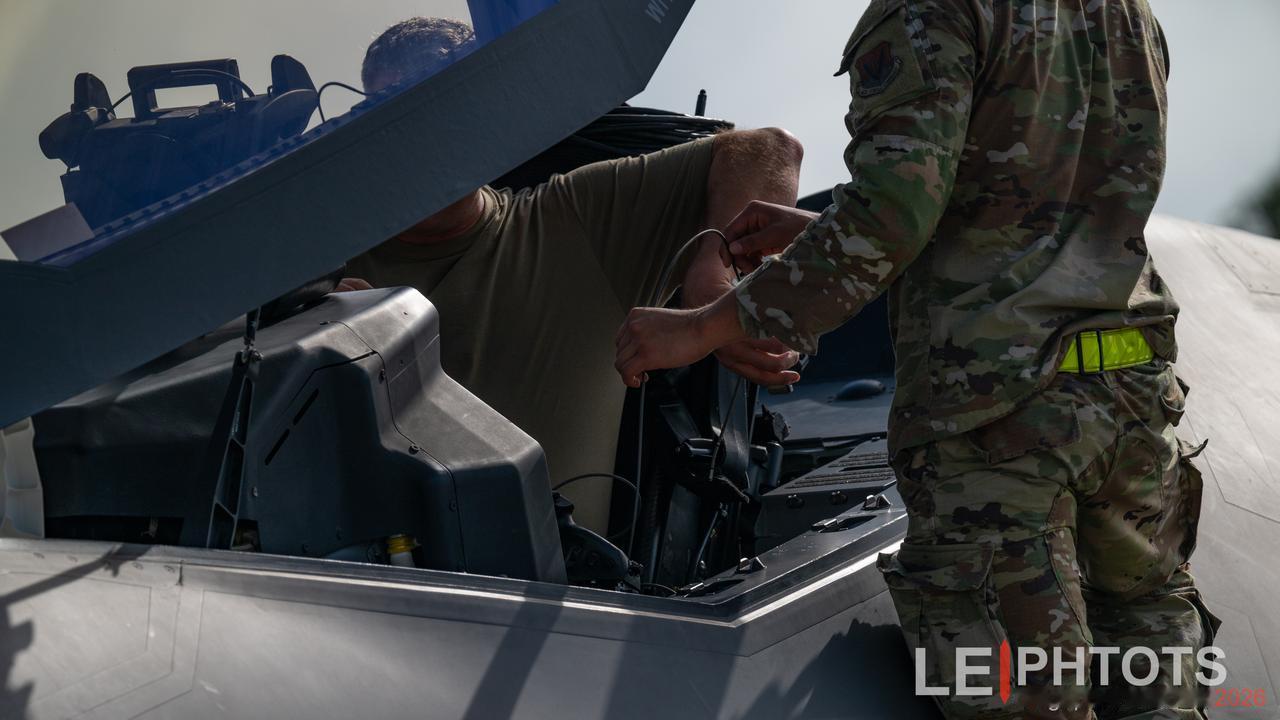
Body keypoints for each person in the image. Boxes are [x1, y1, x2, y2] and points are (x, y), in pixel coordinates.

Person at [612, 1, 1217, 717]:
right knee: (1150, 636)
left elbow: (893, 212)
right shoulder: (1125, 11)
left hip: (1003, 414)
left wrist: (704, 327)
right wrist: (820, 229)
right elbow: (1041, 209)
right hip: (1132, 393)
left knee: (1019, 697)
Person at [343, 17, 804, 532]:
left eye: (447, 100)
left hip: (569, 581)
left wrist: (712, 279)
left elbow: (768, 150)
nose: (426, 130)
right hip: (343, 577)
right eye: (397, 108)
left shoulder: (570, 220)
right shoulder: (320, 271)